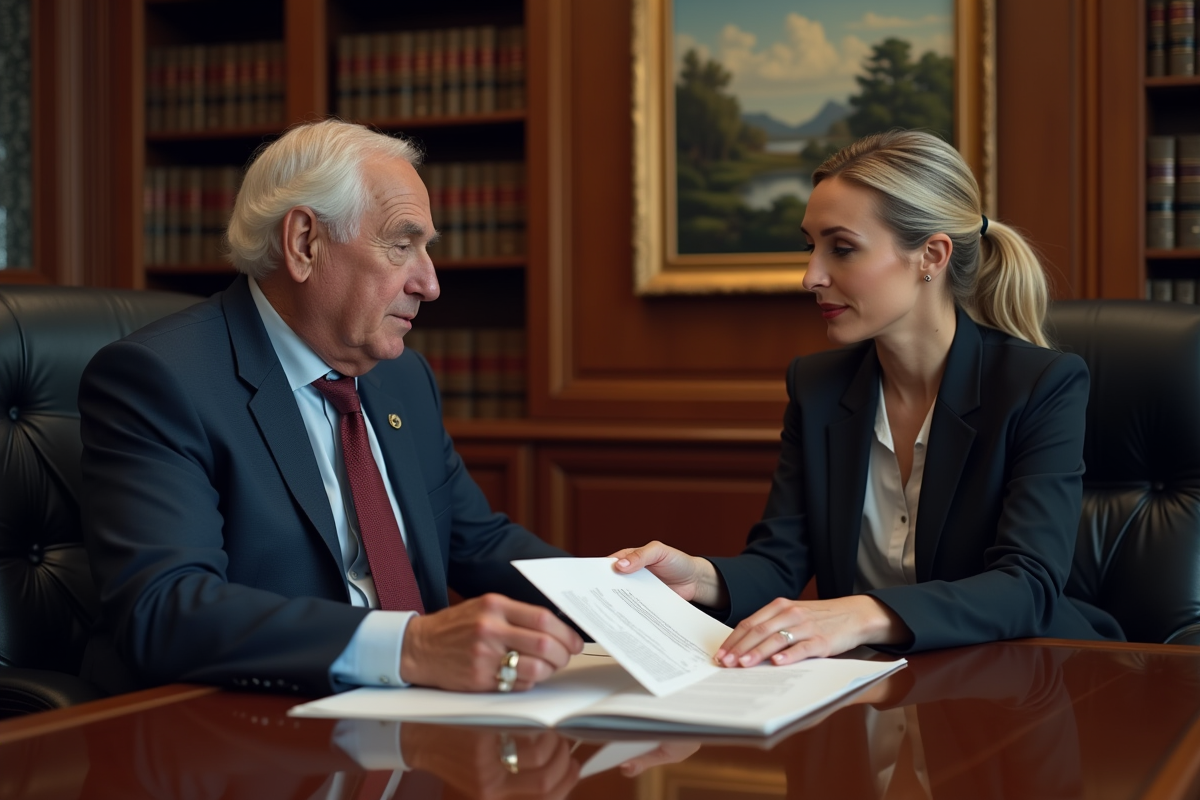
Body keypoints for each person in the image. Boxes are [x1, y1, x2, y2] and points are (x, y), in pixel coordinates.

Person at [78, 119, 582, 697]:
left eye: (427, 249)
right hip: (253, 719)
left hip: (419, 715)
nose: (430, 283)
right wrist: (410, 647)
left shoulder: (402, 377)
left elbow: (479, 543)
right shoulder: (160, 380)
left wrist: (634, 601)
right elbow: (165, 609)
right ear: (304, 243)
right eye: (402, 246)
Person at [613, 129, 1123, 667]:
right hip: (875, 683)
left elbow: (1028, 585)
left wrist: (861, 614)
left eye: (842, 249)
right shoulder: (817, 387)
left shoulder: (1041, 384)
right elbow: (779, 563)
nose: (811, 277)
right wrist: (699, 577)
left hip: (1021, 678)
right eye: (811, 248)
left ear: (931, 255)